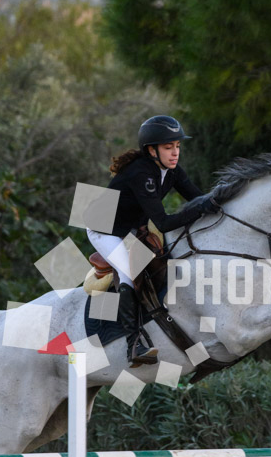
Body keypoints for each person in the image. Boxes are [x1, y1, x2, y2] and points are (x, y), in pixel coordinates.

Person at [87, 115, 219, 367]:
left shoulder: (171, 171)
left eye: (177, 146)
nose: (175, 152)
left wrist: (218, 203)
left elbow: (197, 199)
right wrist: (203, 208)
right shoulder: (141, 173)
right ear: (152, 150)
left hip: (132, 228)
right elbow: (164, 222)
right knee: (128, 274)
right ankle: (134, 344)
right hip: (104, 230)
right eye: (168, 147)